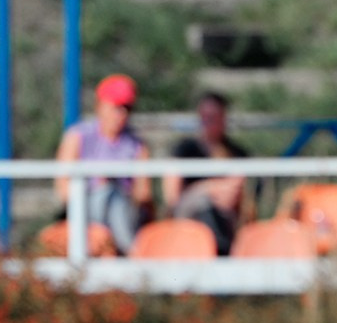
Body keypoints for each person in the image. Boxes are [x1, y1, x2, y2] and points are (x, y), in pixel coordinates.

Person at [54, 74, 151, 254]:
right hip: (85, 210)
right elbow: (63, 187)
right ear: (100, 106)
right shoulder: (78, 136)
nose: (121, 114)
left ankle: (121, 249)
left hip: (125, 211)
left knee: (114, 198)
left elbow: (142, 193)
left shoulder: (136, 144)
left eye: (126, 108)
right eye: (116, 107)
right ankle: (131, 253)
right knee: (105, 195)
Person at [165, 91, 252, 254]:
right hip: (188, 212)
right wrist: (208, 188)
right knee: (205, 202)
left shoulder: (236, 152)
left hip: (223, 214)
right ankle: (218, 252)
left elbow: (234, 193)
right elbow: (173, 198)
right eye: (205, 116)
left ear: (223, 118)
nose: (208, 122)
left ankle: (215, 251)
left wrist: (207, 190)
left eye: (214, 116)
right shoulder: (184, 149)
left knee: (209, 208)